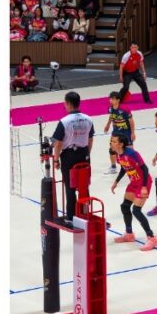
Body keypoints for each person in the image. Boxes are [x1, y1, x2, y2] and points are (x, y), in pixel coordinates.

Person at [110, 134, 157, 251]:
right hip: (133, 182)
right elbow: (124, 167)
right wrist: (116, 181)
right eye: (111, 141)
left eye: (114, 141)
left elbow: (145, 169)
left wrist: (143, 187)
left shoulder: (132, 154)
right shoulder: (119, 155)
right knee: (125, 207)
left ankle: (152, 238)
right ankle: (129, 234)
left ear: (121, 144)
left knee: (136, 211)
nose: (111, 143)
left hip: (143, 183)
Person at [51, 91, 94, 224]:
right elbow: (90, 139)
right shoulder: (88, 119)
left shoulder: (64, 121)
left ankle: (70, 217)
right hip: (84, 154)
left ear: (68, 104)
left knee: (70, 187)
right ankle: (85, 212)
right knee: (84, 185)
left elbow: (57, 143)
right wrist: (87, 153)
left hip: (69, 156)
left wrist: (56, 159)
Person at [104, 91, 135, 173]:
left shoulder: (124, 109)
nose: (111, 100)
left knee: (130, 150)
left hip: (126, 132)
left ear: (118, 100)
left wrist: (132, 133)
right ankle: (113, 167)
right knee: (112, 148)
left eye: (113, 99)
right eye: (110, 99)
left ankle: (132, 165)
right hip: (116, 131)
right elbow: (111, 117)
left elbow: (131, 121)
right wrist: (107, 125)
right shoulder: (110, 108)